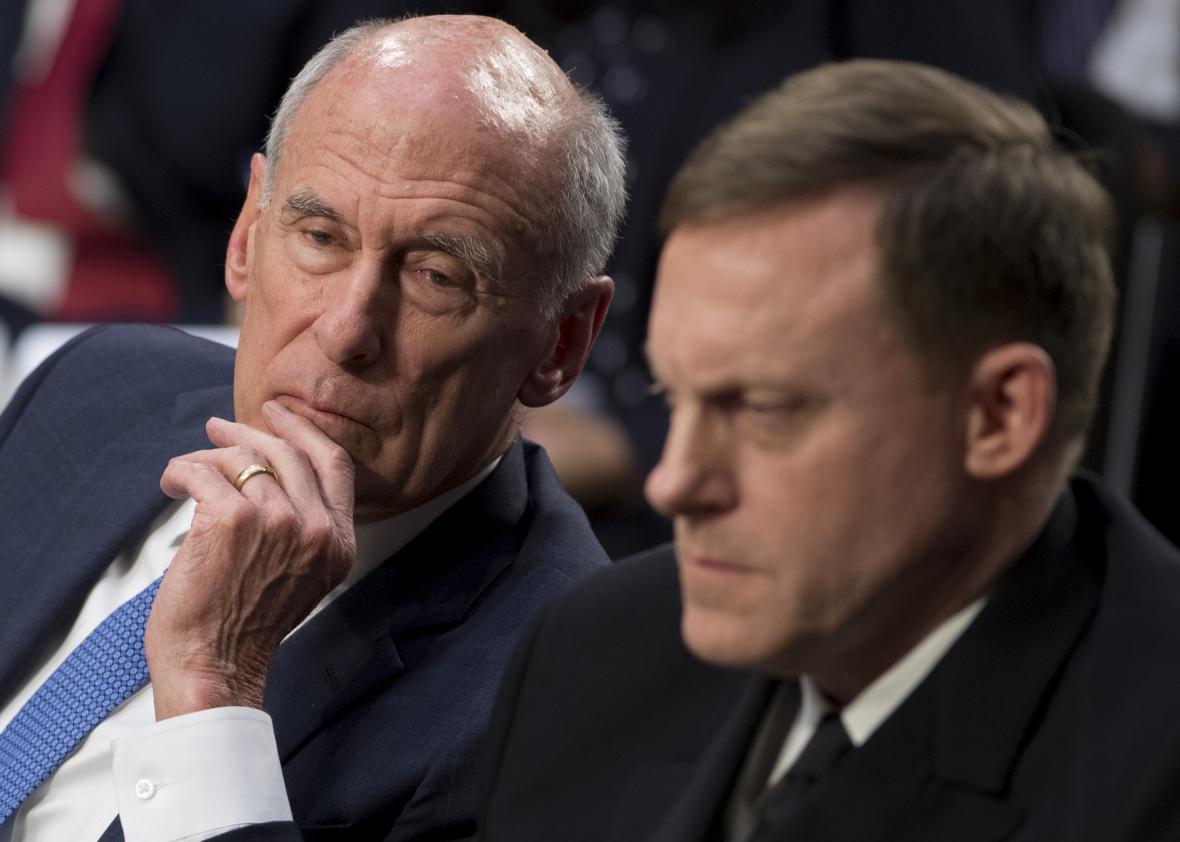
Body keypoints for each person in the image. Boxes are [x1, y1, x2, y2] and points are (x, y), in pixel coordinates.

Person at [478, 59, 1180, 841]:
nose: (674, 482)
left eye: (764, 409)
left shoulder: (1151, 774)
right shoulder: (590, 654)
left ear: (998, 416)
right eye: (672, 397)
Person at [0, 14, 624, 841]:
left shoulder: (566, 700)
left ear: (561, 342)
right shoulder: (99, 386)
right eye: (321, 237)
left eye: (438, 276)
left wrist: (213, 686)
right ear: (247, 237)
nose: (346, 329)